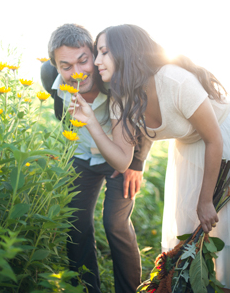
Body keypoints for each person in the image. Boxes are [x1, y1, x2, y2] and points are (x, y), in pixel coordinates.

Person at [69, 24, 230, 289]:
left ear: (125, 52)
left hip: (222, 142)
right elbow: (122, 159)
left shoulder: (173, 79)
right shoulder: (121, 99)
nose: (97, 61)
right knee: (188, 238)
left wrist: (205, 201)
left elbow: (214, 139)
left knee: (224, 234)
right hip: (188, 148)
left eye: (103, 52)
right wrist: (91, 123)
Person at [41, 24, 152, 293]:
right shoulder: (50, 79)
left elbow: (145, 116)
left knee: (115, 223)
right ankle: (86, 287)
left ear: (94, 54)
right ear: (55, 66)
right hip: (80, 156)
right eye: (65, 65)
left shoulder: (115, 77)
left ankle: (128, 289)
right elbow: (62, 116)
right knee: (75, 221)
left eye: (83, 60)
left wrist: (136, 163)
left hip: (121, 156)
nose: (77, 72)